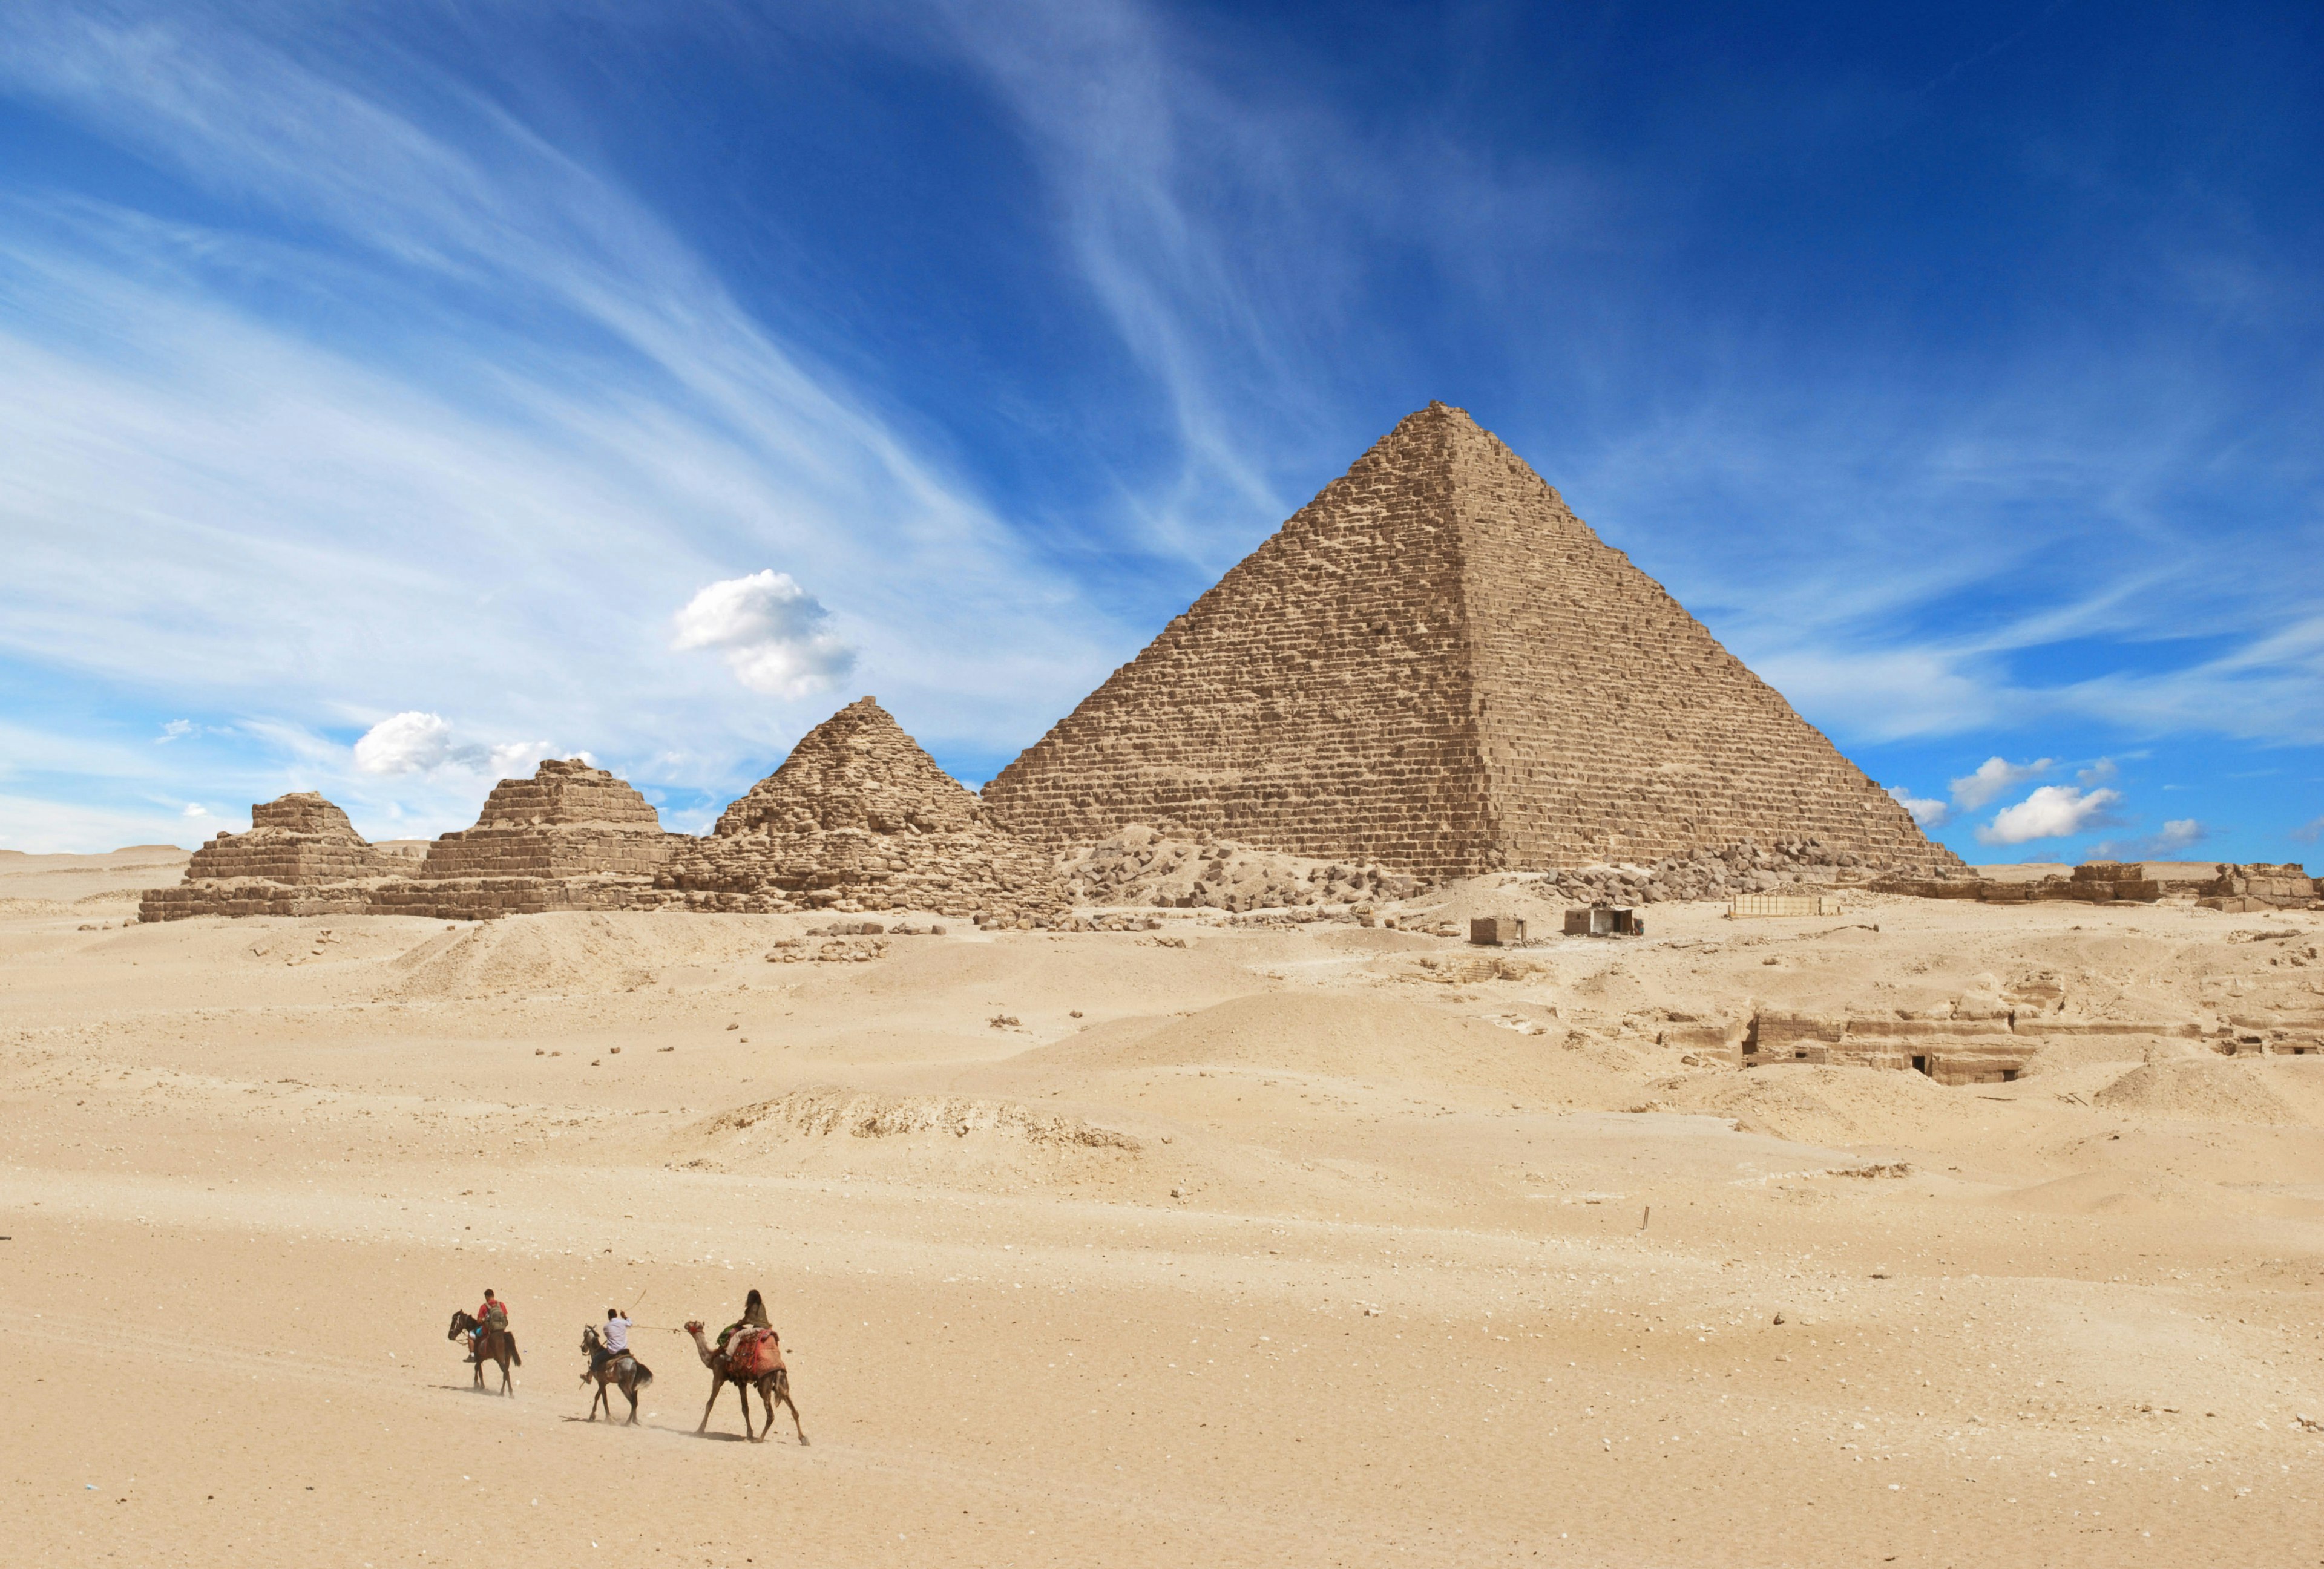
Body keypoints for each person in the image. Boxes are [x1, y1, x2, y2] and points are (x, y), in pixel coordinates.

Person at [717, 1288, 770, 1358]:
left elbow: (747, 1320)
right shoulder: (761, 1306)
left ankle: (729, 1355)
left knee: (737, 1335)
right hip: (765, 1328)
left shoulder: (753, 1307)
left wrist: (739, 1323)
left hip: (758, 1329)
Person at [468, 1288, 508, 1361]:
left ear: (487, 1297)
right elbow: (505, 1316)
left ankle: (472, 1356)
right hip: (501, 1329)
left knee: (471, 1335)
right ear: (493, 1295)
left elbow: (479, 1321)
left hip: (488, 1330)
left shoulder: (484, 1306)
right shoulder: (501, 1305)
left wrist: (485, 1322)